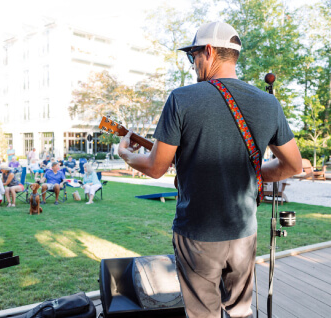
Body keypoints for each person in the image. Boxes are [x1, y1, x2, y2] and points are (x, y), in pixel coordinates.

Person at [118, 21, 302, 318]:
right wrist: (256, 175)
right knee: (241, 311)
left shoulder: (182, 99)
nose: (193, 65)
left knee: (203, 313)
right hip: (244, 232)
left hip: (197, 234)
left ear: (209, 51)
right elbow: (293, 164)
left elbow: (155, 168)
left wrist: (126, 155)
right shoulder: (269, 103)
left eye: (193, 56)